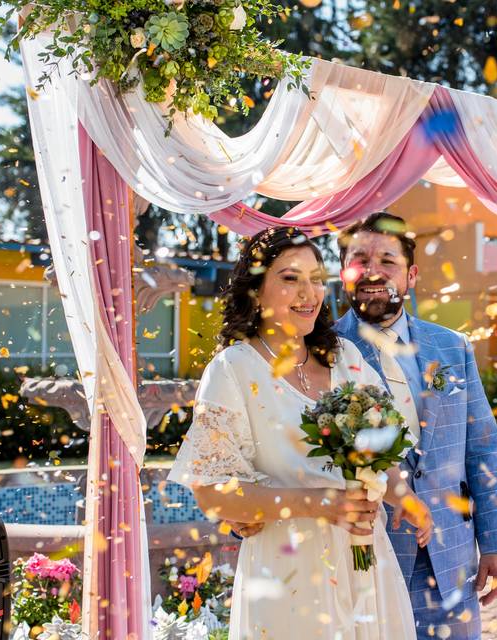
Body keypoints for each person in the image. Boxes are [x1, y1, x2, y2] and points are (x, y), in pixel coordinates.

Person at [167, 226, 431, 639]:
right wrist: (320, 503)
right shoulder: (233, 369)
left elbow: (382, 447)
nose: (308, 293)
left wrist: (403, 495)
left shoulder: (347, 359)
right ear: (256, 291)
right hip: (287, 573)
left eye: (315, 279)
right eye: (290, 279)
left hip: (365, 563)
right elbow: (211, 491)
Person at [335, 212, 497, 640]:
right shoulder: (320, 353)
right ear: (343, 273)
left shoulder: (452, 347)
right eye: (360, 259)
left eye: (388, 261)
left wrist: (496, 542)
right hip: (362, 560)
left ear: (411, 274)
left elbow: (482, 448)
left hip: (452, 560)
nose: (373, 272)